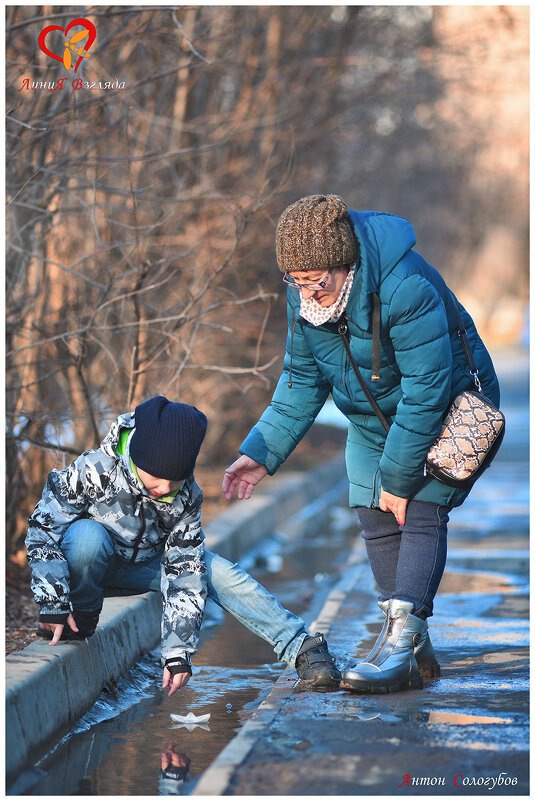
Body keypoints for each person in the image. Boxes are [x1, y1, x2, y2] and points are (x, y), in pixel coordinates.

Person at [222, 194, 500, 694]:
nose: (309, 293)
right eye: (296, 280)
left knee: (417, 510)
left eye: (318, 281)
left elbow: (428, 390)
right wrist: (262, 451)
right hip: (373, 417)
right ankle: (409, 642)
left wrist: (400, 478)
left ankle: (397, 648)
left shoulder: (404, 286)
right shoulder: (304, 298)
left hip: (445, 409)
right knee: (371, 512)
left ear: (345, 263)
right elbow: (301, 380)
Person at [26, 395, 341, 696]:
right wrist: (53, 602)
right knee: (86, 539)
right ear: (137, 457)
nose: (164, 490)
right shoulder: (93, 470)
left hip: (144, 567)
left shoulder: (186, 496)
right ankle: (78, 617)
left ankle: (301, 647)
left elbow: (185, 571)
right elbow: (44, 528)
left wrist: (177, 652)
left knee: (216, 570)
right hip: (89, 564)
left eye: (174, 482)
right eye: (156, 480)